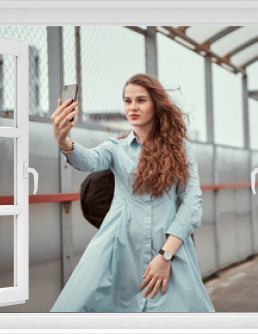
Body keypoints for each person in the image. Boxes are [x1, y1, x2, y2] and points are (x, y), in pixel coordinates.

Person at [49, 73, 215, 312]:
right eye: (127, 101)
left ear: (156, 104)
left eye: (141, 100)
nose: (132, 107)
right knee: (78, 311)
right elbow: (89, 160)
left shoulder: (181, 148)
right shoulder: (115, 147)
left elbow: (192, 204)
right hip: (117, 248)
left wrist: (165, 256)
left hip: (169, 249)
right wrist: (63, 139)